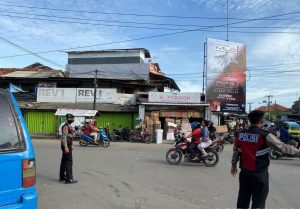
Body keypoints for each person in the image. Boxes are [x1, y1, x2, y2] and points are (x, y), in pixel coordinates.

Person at [231, 110, 300, 209]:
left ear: (249, 121)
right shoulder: (265, 135)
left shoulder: (239, 134)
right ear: (261, 121)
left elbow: (236, 151)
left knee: (243, 199)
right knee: (258, 201)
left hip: (244, 173)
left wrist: (233, 166)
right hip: (259, 174)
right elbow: (283, 147)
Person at [59, 113, 78, 184]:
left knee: (64, 161)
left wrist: (71, 145)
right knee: (69, 162)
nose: (71, 119)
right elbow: (63, 137)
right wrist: (66, 147)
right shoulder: (66, 126)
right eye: (70, 118)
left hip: (68, 145)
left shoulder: (69, 126)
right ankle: (69, 179)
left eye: (72, 118)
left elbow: (70, 136)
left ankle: (62, 177)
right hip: (66, 146)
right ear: (67, 119)